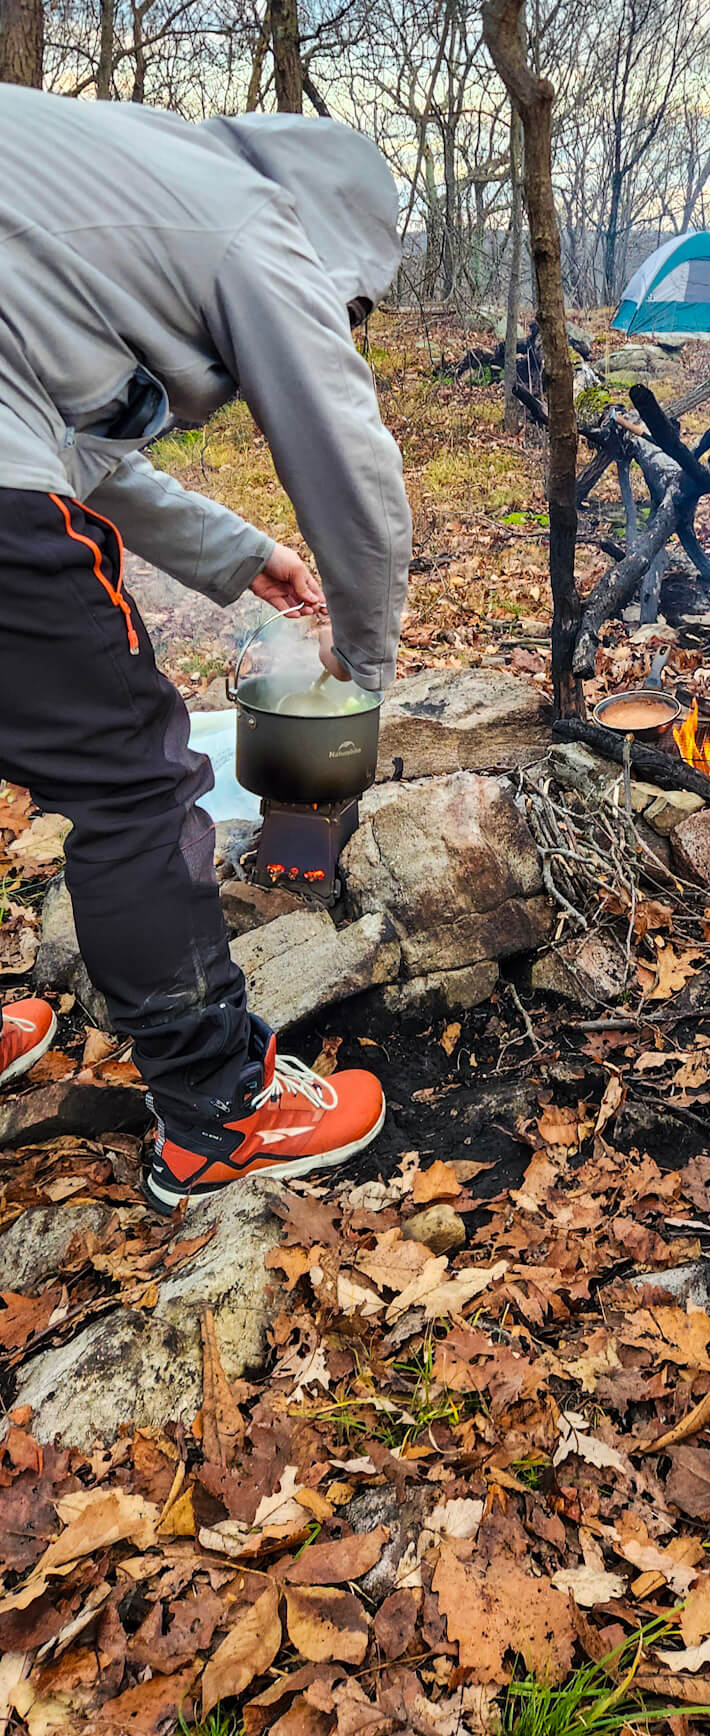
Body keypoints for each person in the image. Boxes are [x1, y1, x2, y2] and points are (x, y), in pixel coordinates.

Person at [0, 89, 412, 1207]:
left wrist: (235, 557)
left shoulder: (103, 179)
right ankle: (218, 1107)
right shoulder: (251, 222)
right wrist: (364, 674)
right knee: (133, 778)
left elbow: (78, 439)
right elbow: (349, 458)